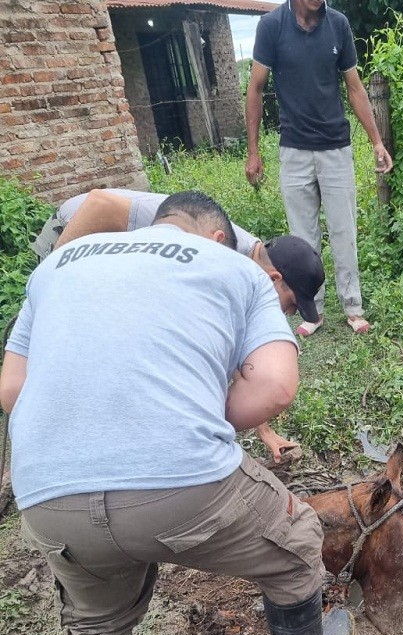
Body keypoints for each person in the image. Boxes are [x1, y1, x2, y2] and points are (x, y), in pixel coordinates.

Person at [1, 191, 353, 635]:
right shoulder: (238, 269)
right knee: (296, 540)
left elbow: (12, 389)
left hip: (48, 496)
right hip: (183, 487)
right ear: (219, 238)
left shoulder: (59, 264)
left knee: (94, 619)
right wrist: (175, 416)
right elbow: (272, 387)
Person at [32, 187, 327, 463]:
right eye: (290, 305)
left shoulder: (240, 266)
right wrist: (51, 280)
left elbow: (236, 355)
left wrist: (265, 432)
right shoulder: (216, 244)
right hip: (76, 228)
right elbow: (100, 203)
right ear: (274, 278)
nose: (286, 315)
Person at [245, 0, 393, 338]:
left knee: (344, 231)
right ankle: (314, 311)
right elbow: (255, 88)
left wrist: (376, 141)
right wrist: (253, 152)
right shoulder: (272, 26)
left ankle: (353, 307)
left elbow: (354, 87)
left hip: (336, 148)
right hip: (294, 149)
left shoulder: (338, 24)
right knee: (302, 239)